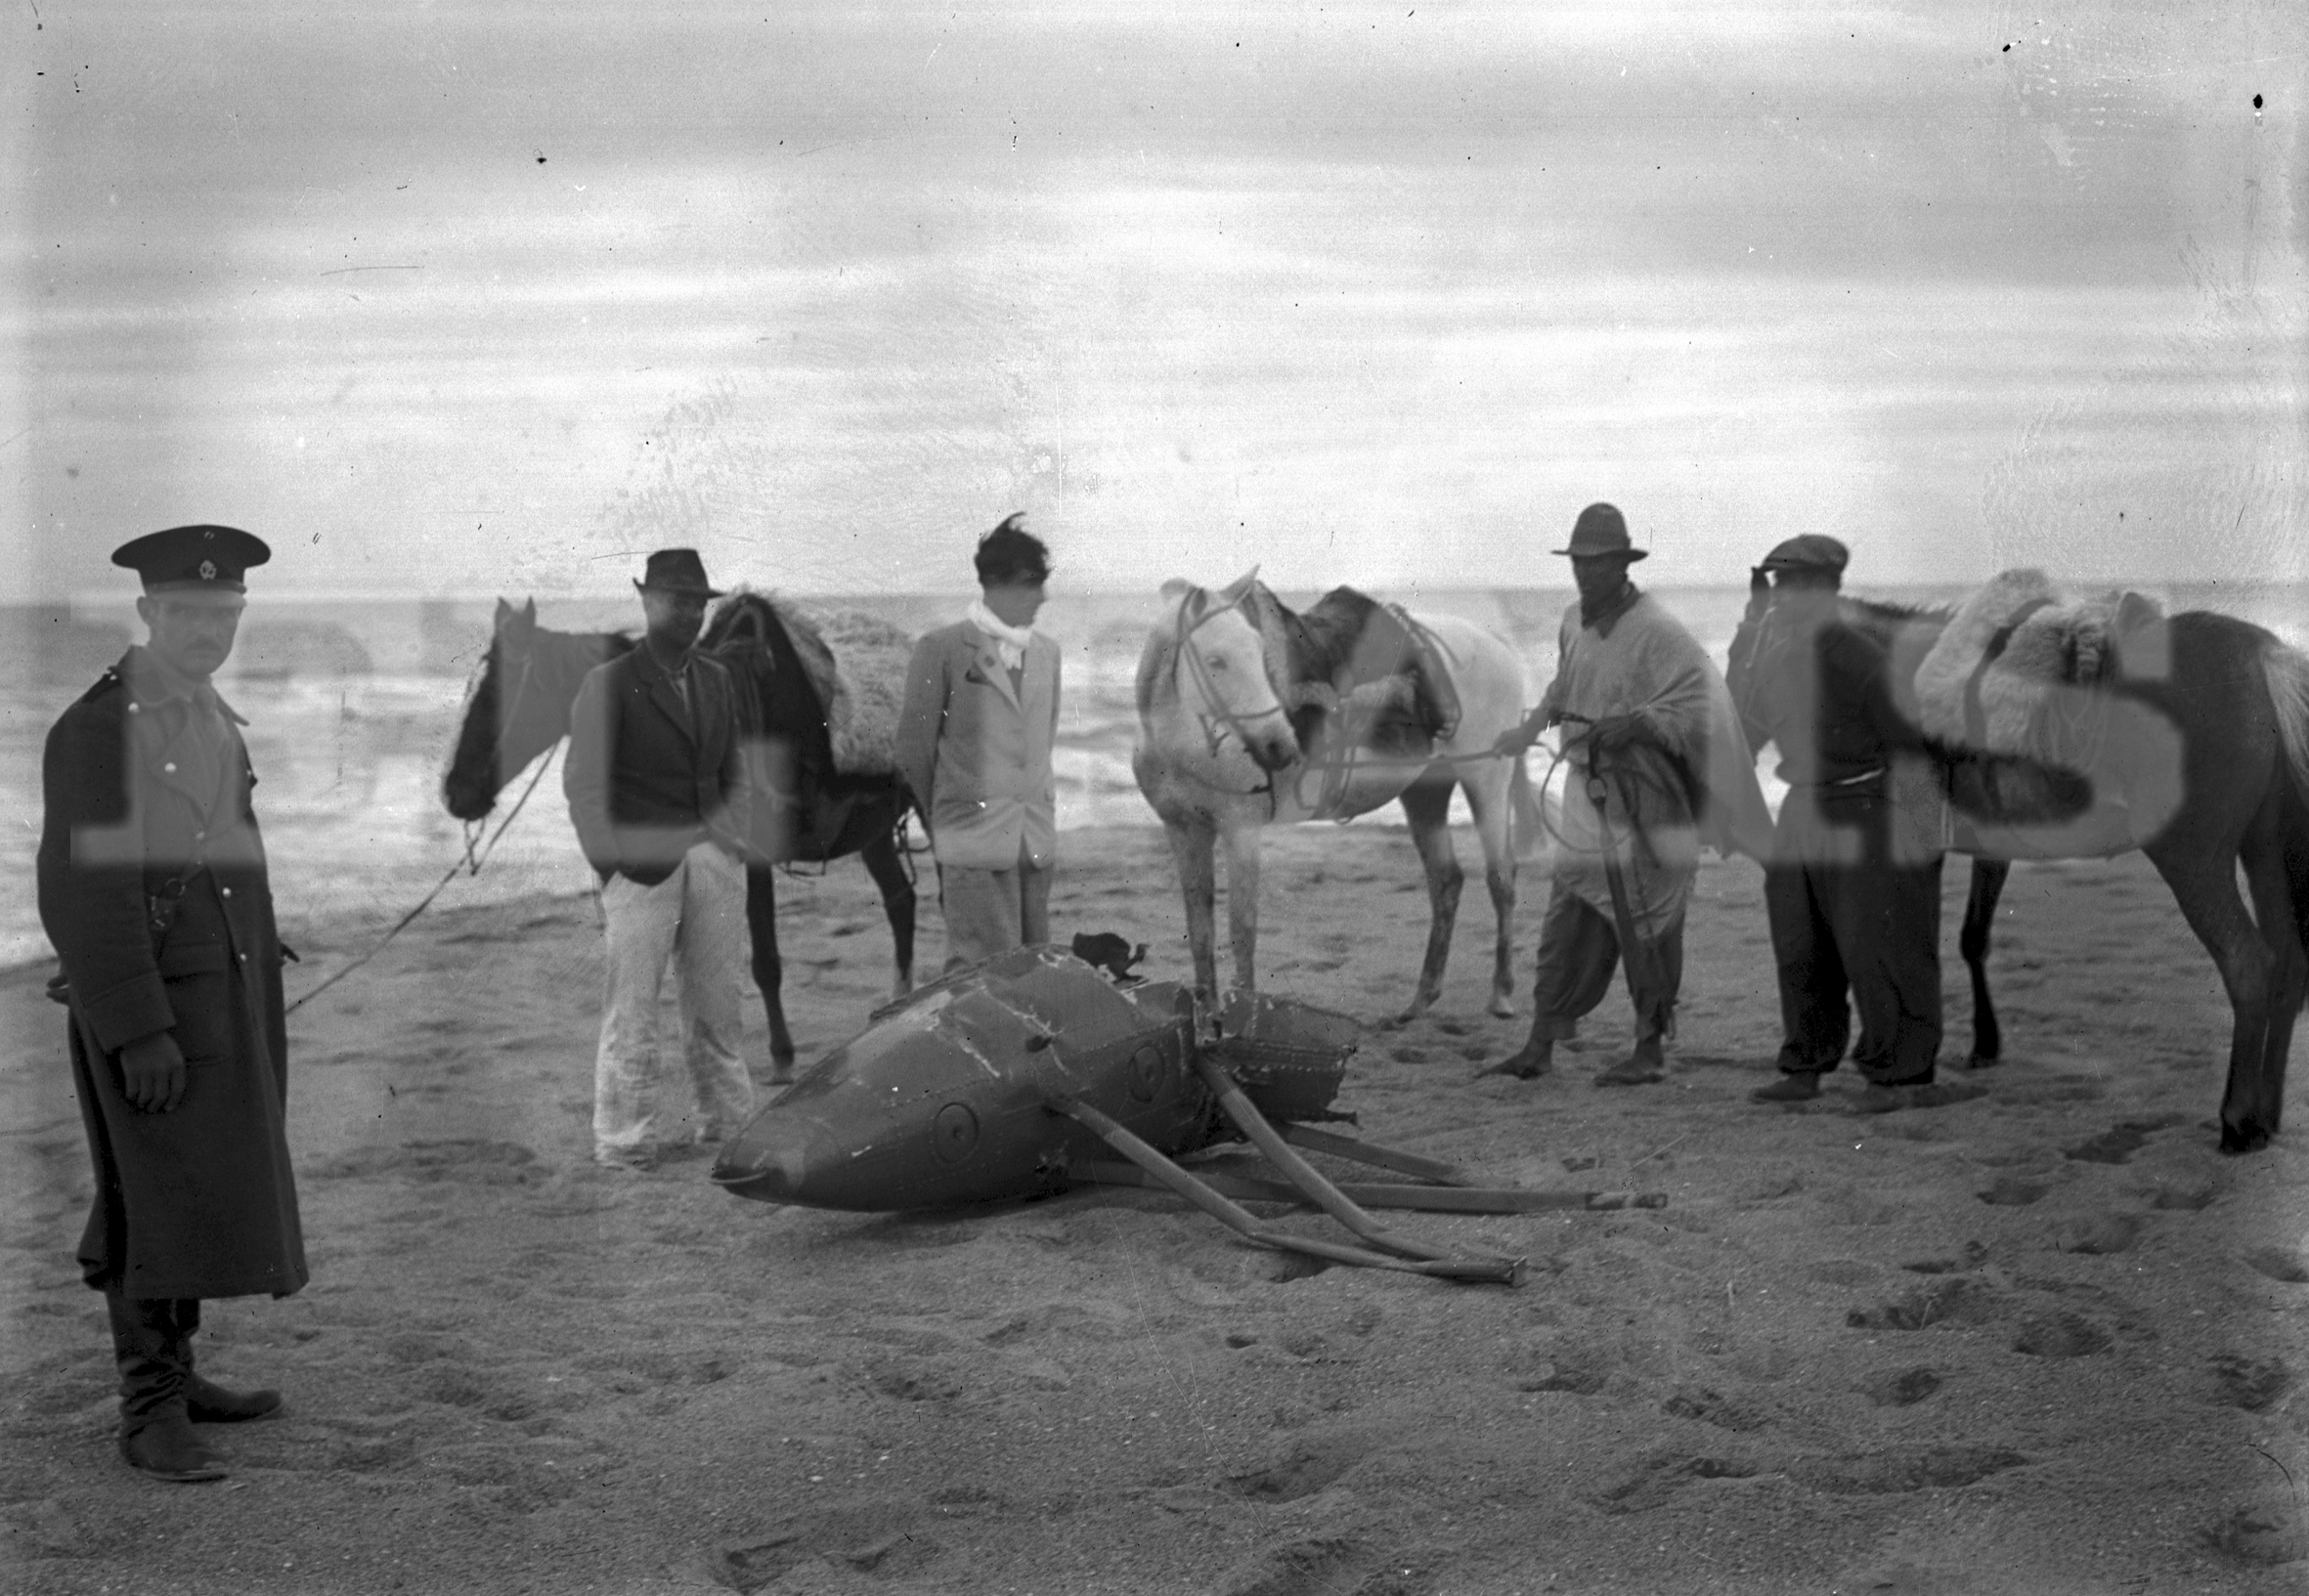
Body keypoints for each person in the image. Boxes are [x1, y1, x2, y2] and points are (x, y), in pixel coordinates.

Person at [37, 525, 308, 1484]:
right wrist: (138, 1027)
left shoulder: (205, 714)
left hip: (219, 987)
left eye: (224, 614)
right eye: (188, 613)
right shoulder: (100, 728)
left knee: (198, 1182)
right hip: (151, 1010)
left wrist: (253, 945)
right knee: (147, 1191)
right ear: (149, 612)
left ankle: (182, 1376)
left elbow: (223, 847)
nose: (208, 631)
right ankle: (147, 1407)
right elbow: (82, 893)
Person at [1485, 503, 1772, 1085]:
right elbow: (1562, 689)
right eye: (1580, 563)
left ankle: (1649, 1050)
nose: (1586, 574)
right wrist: (1525, 730)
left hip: (1648, 800)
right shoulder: (1571, 620)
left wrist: (1637, 724)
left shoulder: (1658, 630)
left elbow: (1702, 703)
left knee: (1649, 923)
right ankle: (1540, 1045)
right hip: (1585, 796)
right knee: (1566, 919)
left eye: (1599, 563)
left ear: (1622, 563)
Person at [1740, 535, 1964, 1111]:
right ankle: (1805, 1065)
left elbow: (1914, 746)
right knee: (1799, 945)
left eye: (1793, 586)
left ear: (1826, 591)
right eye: (1777, 586)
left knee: (1881, 947)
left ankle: (1900, 1077)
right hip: (1800, 811)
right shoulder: (1775, 656)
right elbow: (1749, 732)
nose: (1781, 598)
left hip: (1865, 811)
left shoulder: (1862, 659)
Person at [563, 548, 755, 1171]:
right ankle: (623, 1139)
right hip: (639, 868)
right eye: (678, 600)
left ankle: (726, 1126)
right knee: (632, 1010)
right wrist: (610, 865)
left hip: (714, 863)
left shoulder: (717, 679)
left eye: (700, 602)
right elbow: (584, 786)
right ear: (646, 601)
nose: (692, 612)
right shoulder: (610, 682)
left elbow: (734, 771)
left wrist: (730, 841)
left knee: (718, 1006)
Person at [896, 514, 1063, 971]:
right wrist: (949, 818)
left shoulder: (1048, 652)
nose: (1043, 596)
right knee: (978, 976)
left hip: (1034, 840)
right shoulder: (941, 648)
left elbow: (1040, 743)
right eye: (1032, 583)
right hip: (971, 840)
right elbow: (914, 751)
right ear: (996, 584)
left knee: (1034, 974)